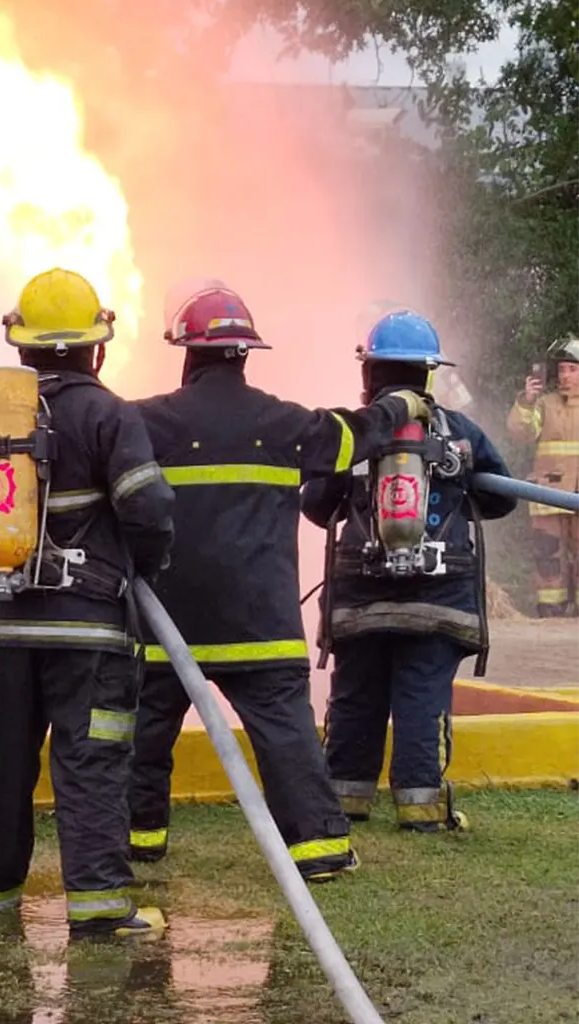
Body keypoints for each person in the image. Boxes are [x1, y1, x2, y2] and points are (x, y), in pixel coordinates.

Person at [127, 281, 430, 881]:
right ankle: (319, 848)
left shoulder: (146, 423)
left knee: (144, 734)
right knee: (285, 737)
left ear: (186, 351)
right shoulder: (283, 422)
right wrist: (404, 407)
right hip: (260, 625)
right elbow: (353, 435)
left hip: (169, 626)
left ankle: (139, 840)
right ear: (246, 353)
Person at [0, 268, 175, 937]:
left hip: (1, 628)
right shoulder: (110, 415)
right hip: (86, 632)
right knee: (90, 761)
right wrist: (148, 561)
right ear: (97, 346)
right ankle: (98, 906)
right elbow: (147, 508)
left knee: (1, 762)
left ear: (20, 346)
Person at [302, 310, 515, 831]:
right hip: (438, 603)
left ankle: (346, 800)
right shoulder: (459, 434)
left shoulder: (350, 434)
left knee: (355, 698)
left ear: (368, 372)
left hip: (361, 600)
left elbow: (314, 504)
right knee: (422, 701)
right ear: (428, 373)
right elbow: (502, 497)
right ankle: (420, 811)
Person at [507, 336, 579, 616]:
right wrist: (527, 400)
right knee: (548, 556)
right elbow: (521, 433)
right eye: (561, 369)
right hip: (547, 496)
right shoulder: (544, 405)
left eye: (572, 369)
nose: (565, 375)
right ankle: (551, 611)